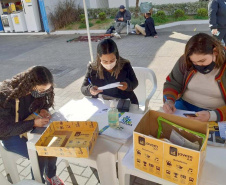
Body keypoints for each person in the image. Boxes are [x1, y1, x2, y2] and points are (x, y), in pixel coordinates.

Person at [0, 66, 65, 185]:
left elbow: (43, 103)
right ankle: (37, 182)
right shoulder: (5, 95)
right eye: (40, 90)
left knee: (53, 142)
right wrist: (33, 123)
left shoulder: (38, 90)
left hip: (28, 128)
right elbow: (3, 130)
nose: (42, 93)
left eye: (45, 90)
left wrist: (44, 110)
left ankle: (50, 175)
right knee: (39, 153)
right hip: (11, 136)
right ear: (29, 83)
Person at [163, 33, 226, 122]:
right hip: (183, 106)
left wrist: (212, 115)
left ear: (215, 51)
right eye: (195, 63)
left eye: (202, 61)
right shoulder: (185, 61)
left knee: (211, 136)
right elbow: (172, 82)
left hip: (217, 113)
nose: (199, 65)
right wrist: (169, 100)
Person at [81, 38, 139, 104]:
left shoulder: (125, 65)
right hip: (103, 103)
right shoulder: (93, 68)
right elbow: (83, 88)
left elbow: (135, 82)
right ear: (99, 57)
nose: (109, 64)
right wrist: (90, 90)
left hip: (124, 102)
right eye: (105, 61)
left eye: (112, 60)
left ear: (116, 56)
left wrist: (127, 85)